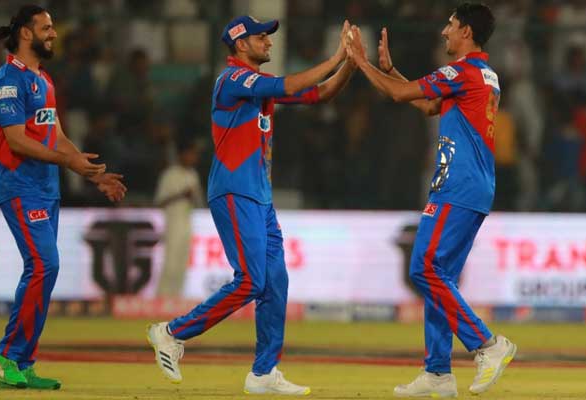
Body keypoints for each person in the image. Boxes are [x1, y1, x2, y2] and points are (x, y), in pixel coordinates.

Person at [147, 16, 355, 395]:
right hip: (234, 190)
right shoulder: (233, 80)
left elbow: (320, 94)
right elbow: (289, 83)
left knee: (275, 282)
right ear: (240, 44)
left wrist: (350, 64)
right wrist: (337, 54)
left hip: (260, 196)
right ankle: (171, 332)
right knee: (251, 280)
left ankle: (263, 373)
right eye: (262, 37)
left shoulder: (258, 88)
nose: (269, 43)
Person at [345, 3, 516, 397]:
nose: (444, 31)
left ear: (467, 32)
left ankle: (488, 345)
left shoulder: (461, 71)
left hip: (457, 183)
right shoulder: (483, 76)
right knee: (440, 276)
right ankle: (438, 373)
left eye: (451, 25)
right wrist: (389, 71)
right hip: (473, 185)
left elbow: (401, 94)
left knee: (422, 267)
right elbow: (425, 104)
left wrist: (361, 63)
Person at [0, 5, 126, 390]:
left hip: (47, 188)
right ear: (26, 34)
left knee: (46, 269)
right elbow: (16, 139)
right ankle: (6, 356)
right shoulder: (6, 82)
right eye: (47, 28)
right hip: (19, 186)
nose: (54, 34)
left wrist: (91, 174)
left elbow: (56, 135)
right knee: (44, 265)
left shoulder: (43, 81)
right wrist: (71, 164)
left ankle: (22, 362)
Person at [154, 138, 204, 297]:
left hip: (187, 221)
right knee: (171, 262)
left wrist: (192, 197)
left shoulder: (193, 174)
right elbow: (160, 201)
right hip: (173, 222)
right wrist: (181, 195)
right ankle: (162, 297)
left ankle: (176, 297)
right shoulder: (170, 174)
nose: (193, 158)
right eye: (190, 154)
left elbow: (198, 202)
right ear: (182, 155)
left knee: (182, 261)